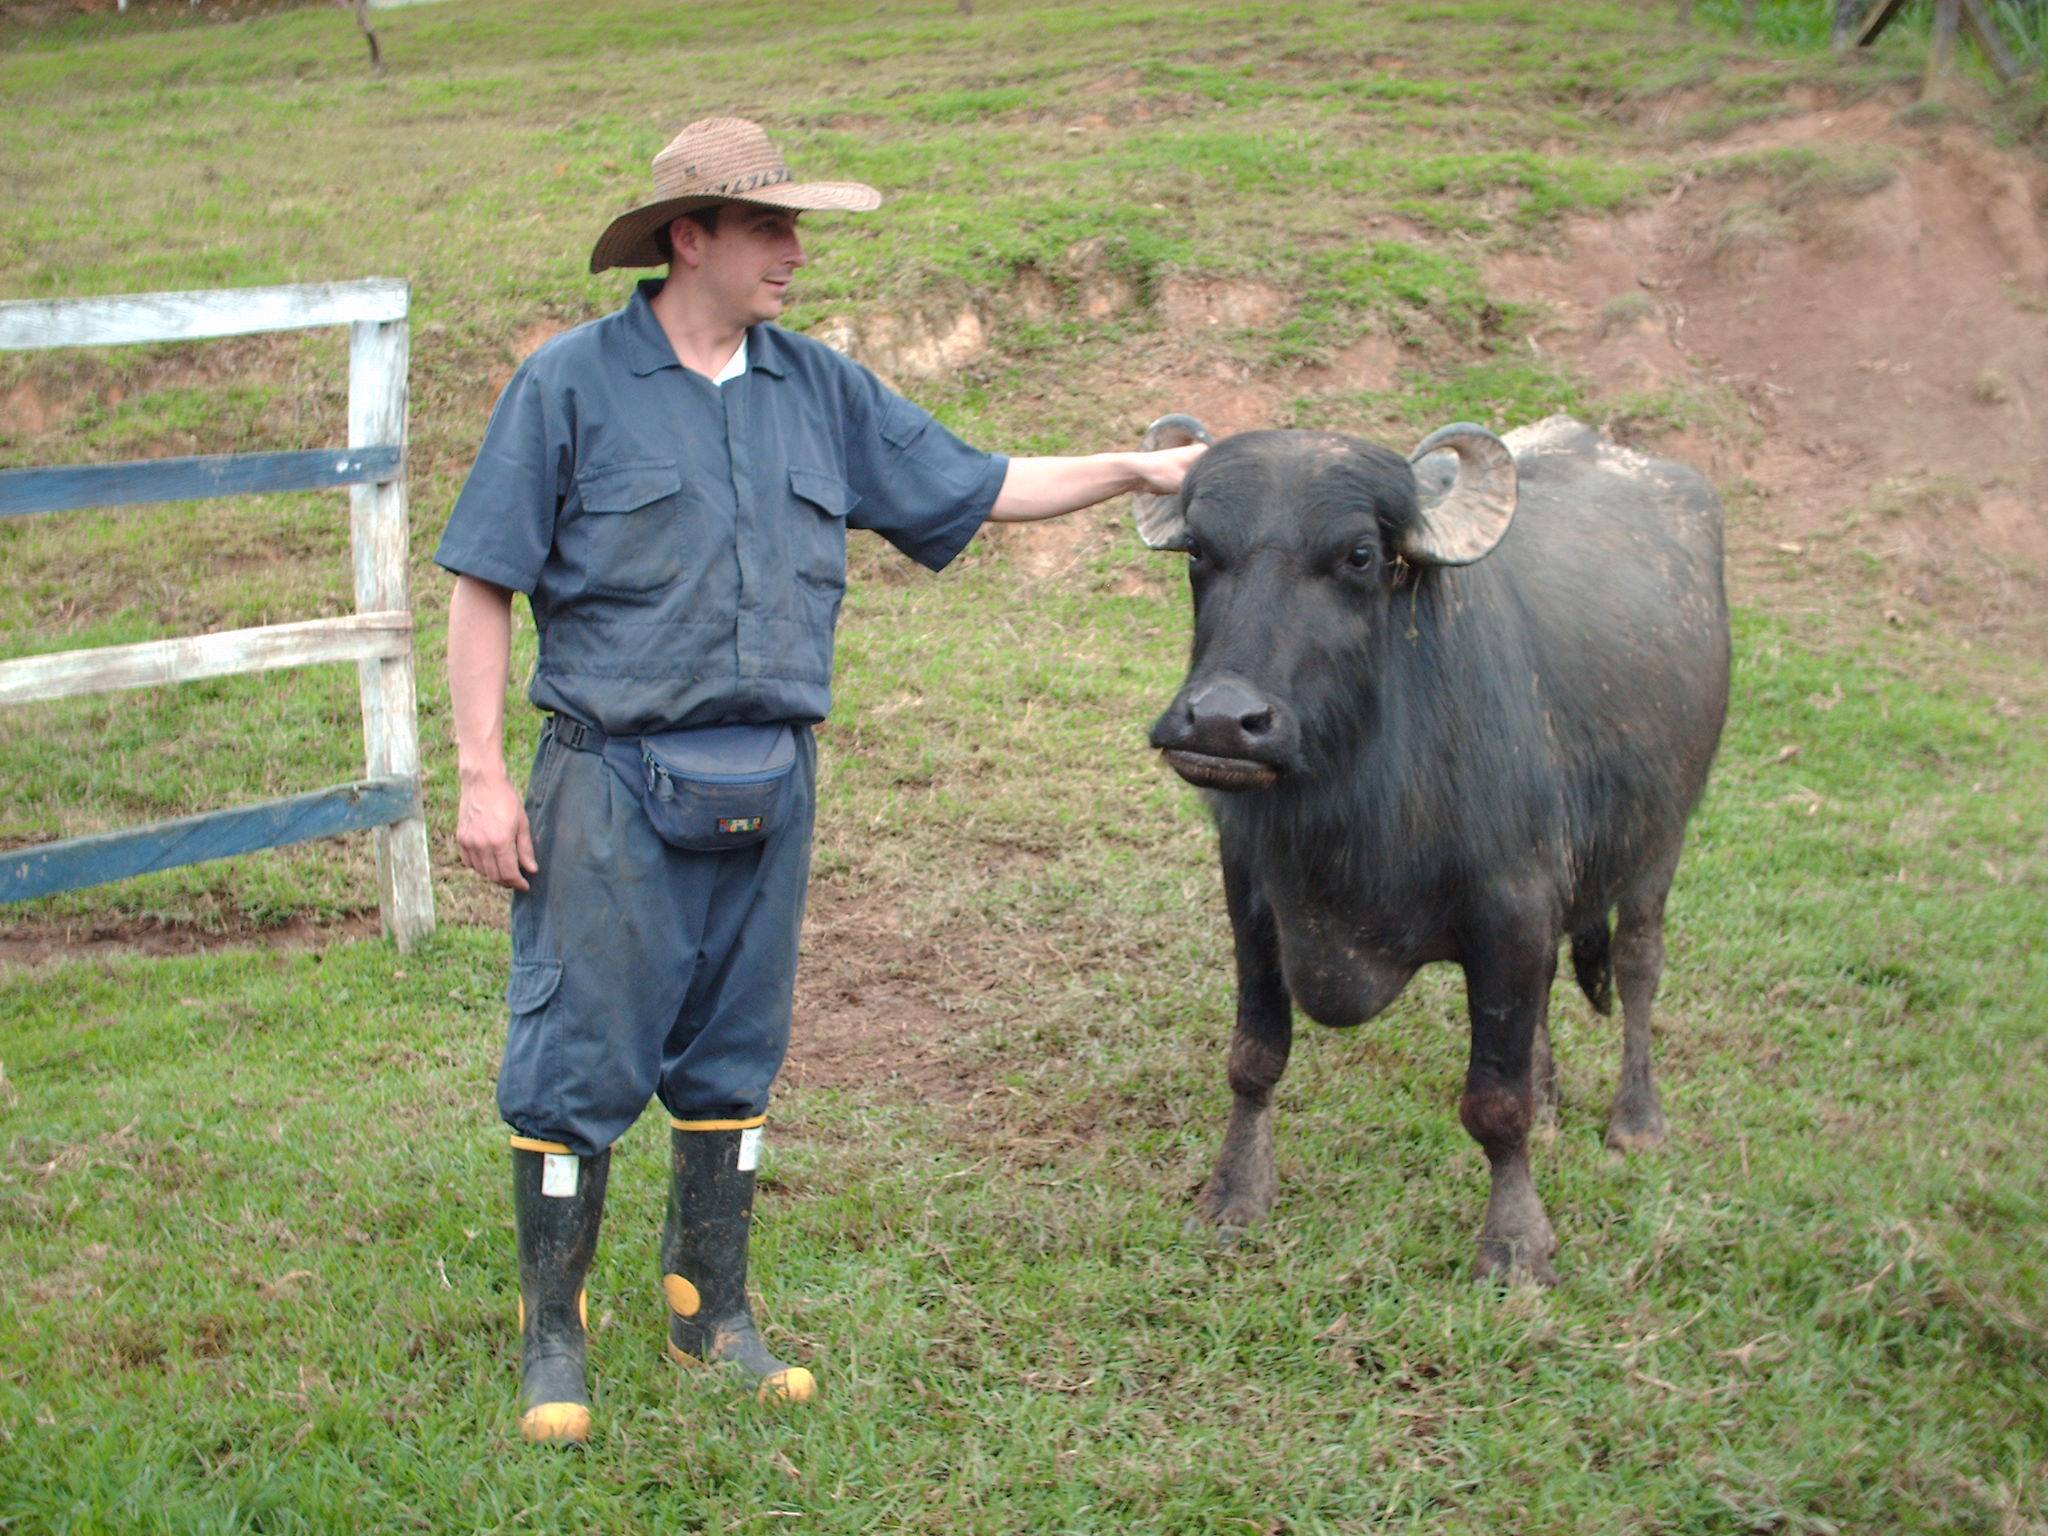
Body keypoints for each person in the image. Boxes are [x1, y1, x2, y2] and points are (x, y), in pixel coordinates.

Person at [437, 116, 1204, 1445]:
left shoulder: (818, 388)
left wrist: (1139, 468)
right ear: (691, 238)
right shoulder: (569, 385)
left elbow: (978, 482)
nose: (795, 250)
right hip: (610, 780)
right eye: (770, 227)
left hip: (769, 781)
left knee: (736, 1053)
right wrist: (481, 775)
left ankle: (712, 1315)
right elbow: (482, 581)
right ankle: (553, 1334)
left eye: (795, 226)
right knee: (577, 1057)